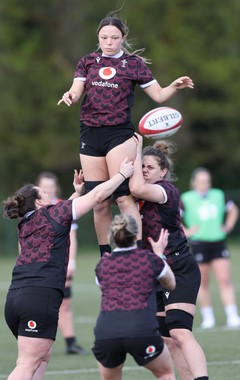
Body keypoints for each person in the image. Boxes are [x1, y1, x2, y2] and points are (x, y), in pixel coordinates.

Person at [57, 13, 194, 257]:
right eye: (103, 37)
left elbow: (159, 96)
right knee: (99, 203)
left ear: (123, 38)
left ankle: (135, 254)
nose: (108, 42)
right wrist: (70, 95)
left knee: (123, 199)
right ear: (98, 37)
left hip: (119, 134)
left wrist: (174, 86)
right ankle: (106, 258)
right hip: (89, 133)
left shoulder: (133, 64)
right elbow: (76, 90)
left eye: (114, 37)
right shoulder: (87, 62)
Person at [2, 159, 134, 380]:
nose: (51, 194)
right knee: (28, 361)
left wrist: (77, 192)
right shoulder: (54, 214)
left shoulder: (26, 223)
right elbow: (97, 197)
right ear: (40, 201)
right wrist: (122, 175)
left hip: (16, 298)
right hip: (39, 297)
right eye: (45, 193)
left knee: (42, 357)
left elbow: (63, 213)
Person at [129, 136, 216, 380]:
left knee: (180, 331)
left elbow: (135, 186)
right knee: (167, 339)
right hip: (153, 271)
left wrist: (134, 148)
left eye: (149, 167)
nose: (144, 170)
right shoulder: (136, 194)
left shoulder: (165, 190)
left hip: (178, 267)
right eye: (142, 166)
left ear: (164, 172)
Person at [92, 213, 176, 380]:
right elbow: (171, 284)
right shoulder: (150, 260)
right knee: (166, 376)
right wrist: (159, 254)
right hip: (140, 330)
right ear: (136, 235)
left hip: (107, 332)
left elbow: (104, 288)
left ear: (111, 237)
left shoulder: (102, 264)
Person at [180, 167, 240, 329]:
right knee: (203, 281)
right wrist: (185, 231)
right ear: (193, 182)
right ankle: (208, 317)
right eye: (201, 181)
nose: (204, 184)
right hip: (199, 243)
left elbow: (233, 210)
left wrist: (228, 227)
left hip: (218, 242)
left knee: (224, 279)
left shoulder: (218, 195)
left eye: (207, 181)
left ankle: (232, 316)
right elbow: (174, 217)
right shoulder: (186, 199)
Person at [35, 171, 89, 355]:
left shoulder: (62, 206)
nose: (48, 190)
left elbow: (72, 237)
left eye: (51, 187)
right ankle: (37, 340)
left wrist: (70, 263)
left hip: (59, 266)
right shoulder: (32, 209)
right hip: (40, 268)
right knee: (41, 305)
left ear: (56, 188)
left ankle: (70, 342)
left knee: (64, 303)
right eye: (44, 187)